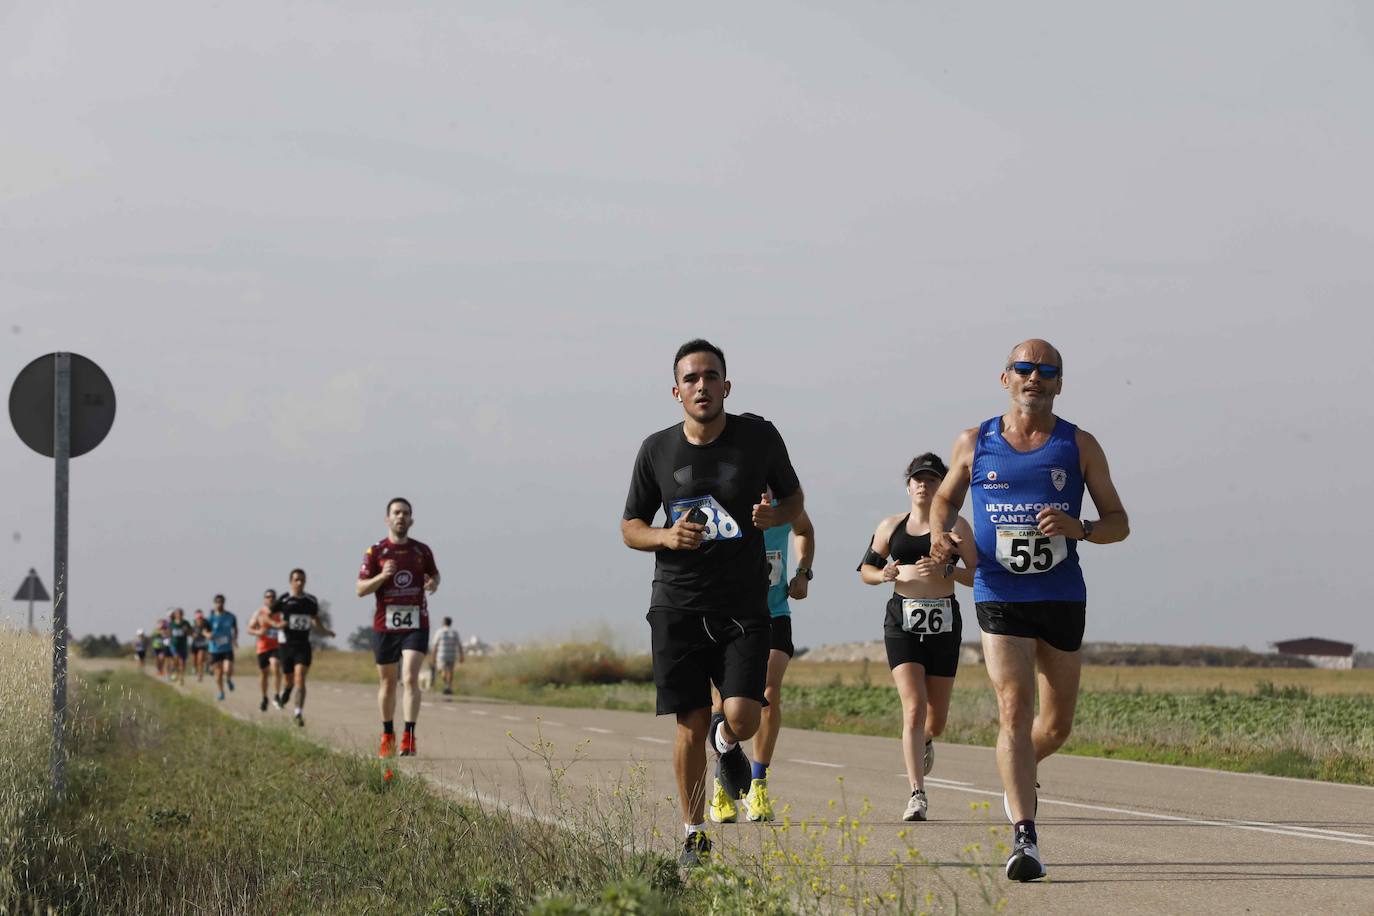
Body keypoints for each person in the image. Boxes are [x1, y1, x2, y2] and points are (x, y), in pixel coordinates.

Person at [930, 339, 1129, 882]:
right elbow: (944, 499)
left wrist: (1081, 527)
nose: (1034, 377)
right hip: (999, 591)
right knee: (1014, 708)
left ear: (1059, 383)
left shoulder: (1079, 445)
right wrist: (943, 533)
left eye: (1046, 371)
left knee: (1056, 725)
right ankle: (1025, 836)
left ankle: (1016, 771)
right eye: (1024, 368)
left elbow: (1119, 521)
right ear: (1005, 378)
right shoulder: (976, 441)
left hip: (1061, 595)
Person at [621, 339, 804, 867]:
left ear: (727, 385)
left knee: (744, 715)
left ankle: (729, 744)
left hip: (744, 604)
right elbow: (630, 527)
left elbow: (794, 499)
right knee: (689, 722)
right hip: (676, 604)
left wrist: (779, 517)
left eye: (711, 376)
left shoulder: (759, 438)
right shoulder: (656, 450)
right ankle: (694, 833)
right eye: (691, 378)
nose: (702, 386)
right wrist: (665, 537)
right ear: (676, 390)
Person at [707, 424, 816, 826]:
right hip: (727, 618)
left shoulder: (783, 504)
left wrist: (803, 572)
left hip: (774, 614)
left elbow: (806, 531)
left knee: (768, 692)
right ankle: (723, 783)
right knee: (725, 704)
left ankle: (757, 784)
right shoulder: (725, 497)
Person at [859, 453, 976, 821]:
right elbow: (865, 569)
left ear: (943, 486)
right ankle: (916, 793)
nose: (923, 485)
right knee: (913, 706)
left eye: (931, 479)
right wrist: (884, 575)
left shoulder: (958, 528)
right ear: (908, 485)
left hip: (943, 621)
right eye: (917, 479)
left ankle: (926, 740)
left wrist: (948, 570)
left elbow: (978, 574)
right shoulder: (891, 526)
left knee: (935, 719)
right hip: (902, 621)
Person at [357, 498, 440, 758]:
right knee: (388, 682)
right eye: (396, 513)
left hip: (416, 622)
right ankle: (388, 734)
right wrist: (382, 576)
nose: (400, 517)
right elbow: (360, 589)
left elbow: (435, 575)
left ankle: (409, 737)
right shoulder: (376, 552)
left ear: (411, 520)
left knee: (411, 678)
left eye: (405, 513)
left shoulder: (421, 551)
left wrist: (433, 584)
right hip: (385, 624)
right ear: (387, 519)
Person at [270, 569, 334, 726]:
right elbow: (267, 615)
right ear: (291, 581)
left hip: (303, 645)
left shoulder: (310, 600)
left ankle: (298, 713)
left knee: (300, 678)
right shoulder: (284, 600)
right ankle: (286, 692)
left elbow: (315, 619)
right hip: (286, 645)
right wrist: (277, 624)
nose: (300, 583)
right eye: (297, 580)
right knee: (288, 679)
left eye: (302, 580)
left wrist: (325, 631)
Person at [247, 589, 285, 711]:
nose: (271, 598)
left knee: (276, 666)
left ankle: (276, 695)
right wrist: (258, 631)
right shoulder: (259, 613)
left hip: (276, 646)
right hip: (262, 647)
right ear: (264, 599)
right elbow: (249, 629)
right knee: (264, 673)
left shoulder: (280, 613)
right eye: (268, 597)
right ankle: (264, 698)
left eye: (273, 596)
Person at [208, 594, 238, 701]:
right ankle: (221, 692)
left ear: (224, 603)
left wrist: (234, 639)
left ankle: (229, 679)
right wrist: (208, 635)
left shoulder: (231, 616)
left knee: (227, 669)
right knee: (218, 673)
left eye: (221, 602)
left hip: (227, 648)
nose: (219, 604)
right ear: (214, 603)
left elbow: (235, 628)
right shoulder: (210, 618)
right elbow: (204, 630)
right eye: (217, 602)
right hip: (215, 649)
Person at [430, 616, 464, 695]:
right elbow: (459, 645)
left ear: (443, 623)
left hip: (441, 655)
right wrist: (461, 656)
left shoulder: (439, 632)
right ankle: (448, 686)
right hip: (452, 654)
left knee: (441, 671)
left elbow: (435, 645)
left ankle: (447, 685)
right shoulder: (455, 632)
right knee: (450, 671)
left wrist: (433, 657)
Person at [167, 609, 192, 684]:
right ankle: (173, 671)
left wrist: (186, 631)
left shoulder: (186, 623)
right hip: (174, 645)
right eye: (177, 614)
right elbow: (169, 633)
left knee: (182, 662)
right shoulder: (171, 624)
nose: (179, 615)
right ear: (175, 615)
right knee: (176, 659)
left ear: (182, 614)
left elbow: (191, 633)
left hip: (183, 645)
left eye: (180, 614)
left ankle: (181, 677)